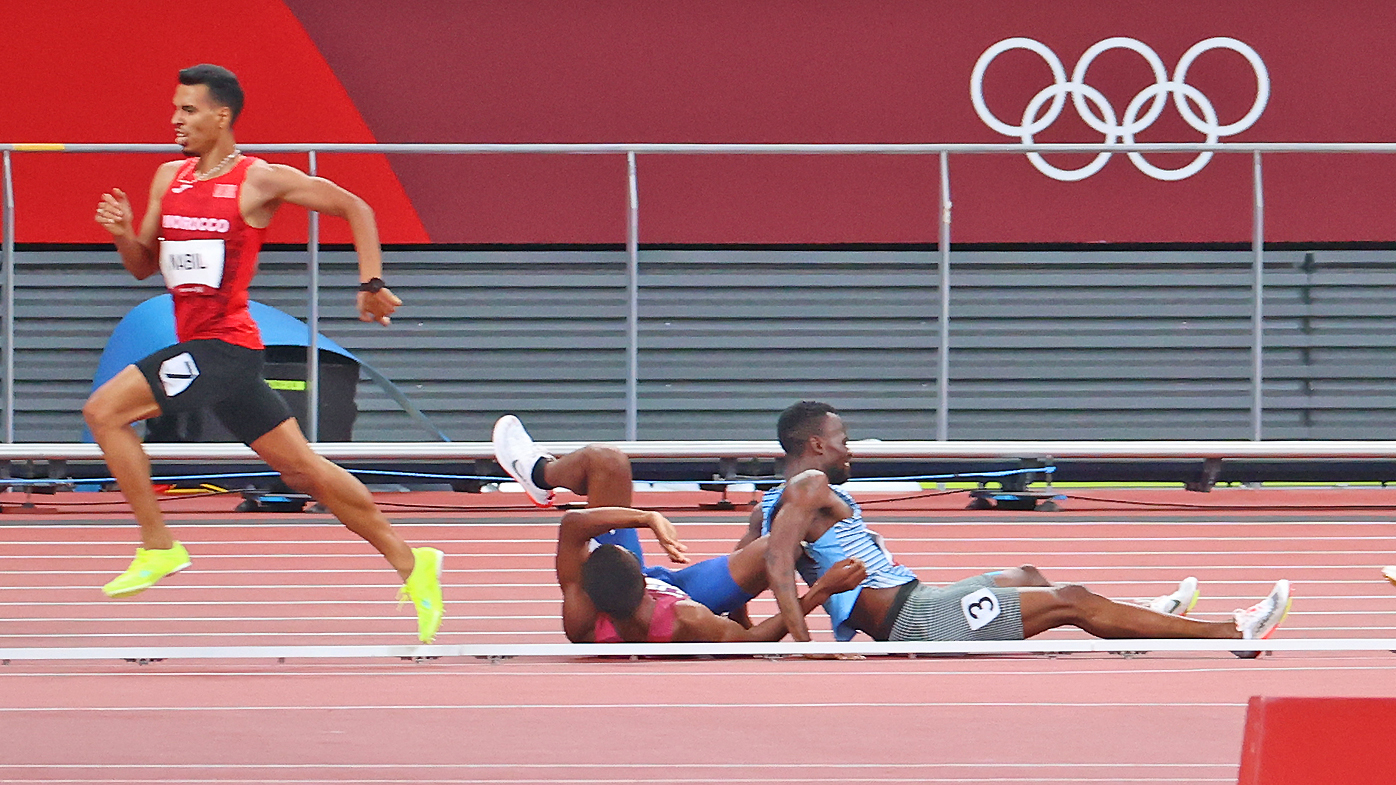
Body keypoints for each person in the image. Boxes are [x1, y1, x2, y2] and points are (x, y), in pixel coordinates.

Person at [86, 64, 443, 643]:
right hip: (204, 350)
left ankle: (158, 544)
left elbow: (358, 209)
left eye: (187, 110)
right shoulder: (166, 178)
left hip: (224, 347)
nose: (175, 120)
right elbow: (143, 266)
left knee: (104, 413)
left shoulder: (260, 180)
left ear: (220, 116)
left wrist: (371, 284)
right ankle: (412, 561)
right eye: (175, 109)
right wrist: (124, 233)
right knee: (306, 472)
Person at [746, 400, 1293, 658]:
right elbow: (774, 569)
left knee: (1025, 574)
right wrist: (804, 646)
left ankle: (1139, 625)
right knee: (1069, 600)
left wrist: (746, 632)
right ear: (815, 445)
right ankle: (1231, 633)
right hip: (916, 621)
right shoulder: (809, 485)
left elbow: (738, 579)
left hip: (922, 597)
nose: (851, 447)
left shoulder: (768, 504)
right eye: (843, 437)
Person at [493, 413, 764, 619]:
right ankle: (540, 475)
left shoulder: (584, 616)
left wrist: (647, 519)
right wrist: (742, 618)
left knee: (606, 462)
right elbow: (751, 640)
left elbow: (572, 524)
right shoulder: (688, 621)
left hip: (621, 586)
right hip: (675, 593)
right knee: (776, 543)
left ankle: (539, 473)